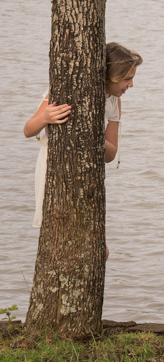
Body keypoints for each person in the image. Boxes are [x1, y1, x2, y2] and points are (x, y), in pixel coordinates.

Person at [24, 42, 142, 230]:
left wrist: (91, 136)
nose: (131, 84)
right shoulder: (65, 90)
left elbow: (110, 155)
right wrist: (45, 117)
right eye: (127, 79)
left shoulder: (114, 101)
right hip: (55, 166)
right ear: (111, 76)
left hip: (90, 171)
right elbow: (28, 130)